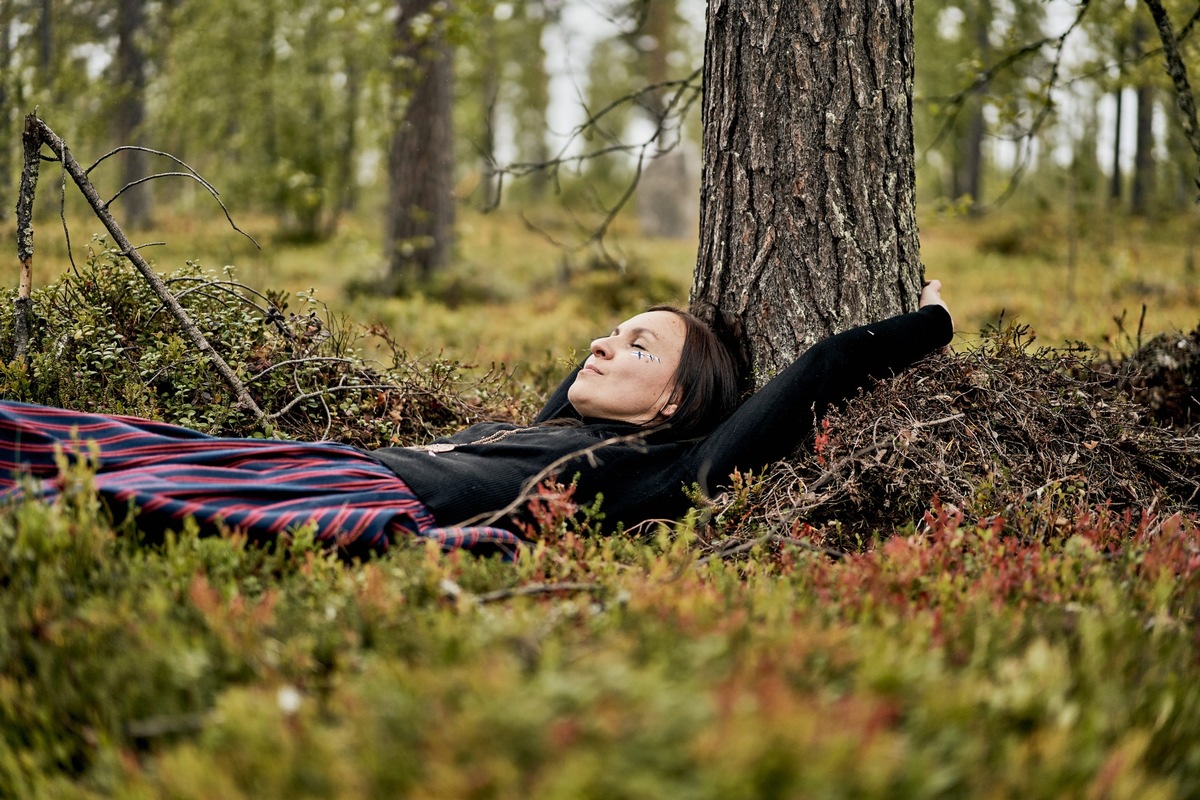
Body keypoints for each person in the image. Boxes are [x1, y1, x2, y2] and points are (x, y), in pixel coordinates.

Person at [0, 281, 953, 558]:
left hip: (361, 492)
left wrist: (932, 320)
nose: (601, 344)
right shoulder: (570, 428)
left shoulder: (667, 470)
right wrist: (607, 359)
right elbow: (578, 384)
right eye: (608, 331)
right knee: (92, 438)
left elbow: (824, 367)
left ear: (674, 403)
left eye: (640, 347)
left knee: (107, 488)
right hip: (330, 459)